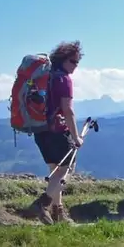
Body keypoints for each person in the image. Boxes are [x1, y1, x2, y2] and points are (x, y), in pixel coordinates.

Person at [27, 41, 84, 224]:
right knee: (65, 171)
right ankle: (42, 204)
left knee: (54, 171)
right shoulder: (64, 79)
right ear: (64, 60)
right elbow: (67, 110)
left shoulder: (44, 76)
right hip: (58, 131)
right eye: (73, 61)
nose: (75, 66)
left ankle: (57, 213)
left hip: (40, 130)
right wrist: (76, 137)